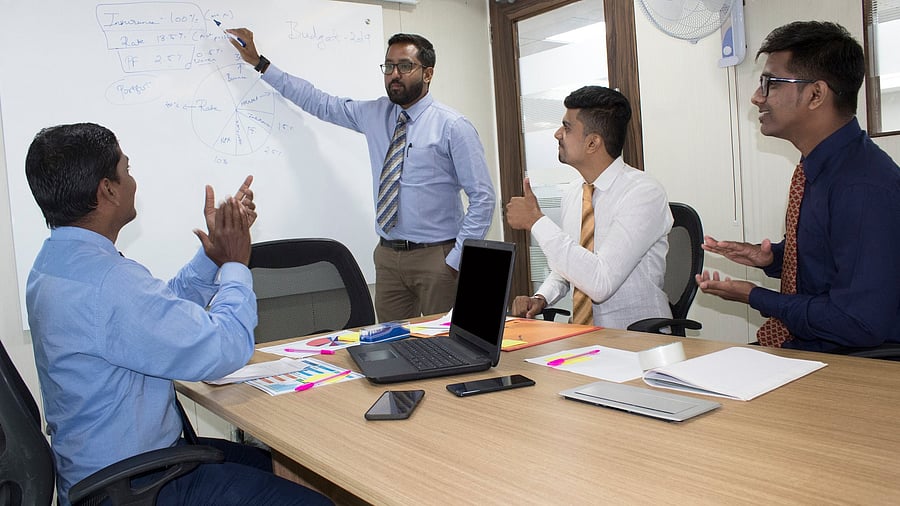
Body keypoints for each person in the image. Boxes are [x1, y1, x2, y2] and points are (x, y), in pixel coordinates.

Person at [25, 123, 332, 506]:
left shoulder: (56, 265)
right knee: (315, 499)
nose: (133, 181)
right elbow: (225, 348)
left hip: (103, 474)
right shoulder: (107, 282)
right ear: (107, 189)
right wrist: (236, 263)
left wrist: (212, 255)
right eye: (127, 169)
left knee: (282, 469)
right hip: (137, 483)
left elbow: (153, 316)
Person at [225, 28, 496, 323]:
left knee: (446, 351)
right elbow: (318, 101)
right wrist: (261, 64)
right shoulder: (375, 114)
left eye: (405, 66)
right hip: (388, 257)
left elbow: (483, 198)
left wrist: (456, 260)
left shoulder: (453, 126)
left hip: (437, 258)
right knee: (396, 347)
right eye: (389, 66)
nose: (394, 74)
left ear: (428, 73)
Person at [696, 21, 900, 352]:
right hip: (810, 348)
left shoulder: (863, 186)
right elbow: (832, 265)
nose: (756, 97)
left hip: (853, 366)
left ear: (816, 94)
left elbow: (857, 323)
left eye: (770, 84)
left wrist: (754, 296)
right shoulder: (817, 168)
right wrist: (772, 258)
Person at [505, 86, 673, 329]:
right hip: (583, 340)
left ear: (593, 143)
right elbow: (569, 267)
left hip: (638, 342)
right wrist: (542, 298)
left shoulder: (643, 193)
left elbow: (600, 282)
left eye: (567, 127)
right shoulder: (574, 193)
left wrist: (536, 221)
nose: (557, 134)